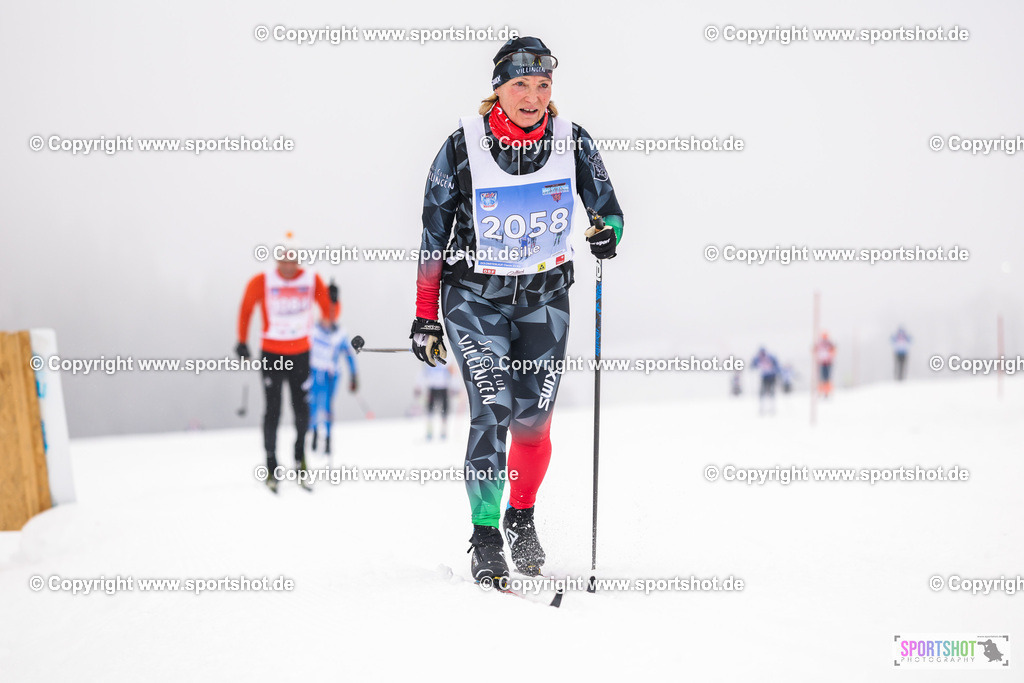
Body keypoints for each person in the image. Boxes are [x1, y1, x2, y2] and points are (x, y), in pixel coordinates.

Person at [409, 37, 624, 583]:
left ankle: (520, 518)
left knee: (534, 423)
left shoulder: (572, 142)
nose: (532, 97)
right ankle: (484, 536)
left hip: (545, 300)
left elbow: (609, 211)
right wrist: (425, 316)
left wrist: (606, 234)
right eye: (520, 84)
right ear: (498, 89)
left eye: (543, 85)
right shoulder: (461, 147)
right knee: (492, 410)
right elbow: (433, 236)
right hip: (474, 299)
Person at [237, 234, 335, 493]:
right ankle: (271, 464)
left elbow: (329, 316)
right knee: (273, 409)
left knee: (301, 408)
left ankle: (299, 458)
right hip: (272, 353)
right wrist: (241, 340)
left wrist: (333, 302)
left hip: (301, 353)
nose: (289, 265)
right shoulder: (263, 281)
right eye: (284, 259)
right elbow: (246, 309)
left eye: (293, 259)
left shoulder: (311, 280)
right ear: (277, 259)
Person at [308, 302, 358, 457]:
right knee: (314, 405)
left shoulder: (340, 334)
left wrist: (353, 375)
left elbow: (349, 355)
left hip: (332, 374)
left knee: (328, 406)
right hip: (315, 373)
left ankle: (328, 439)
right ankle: (315, 432)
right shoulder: (313, 331)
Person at [417, 362, 456, 441]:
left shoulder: (446, 361)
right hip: (432, 389)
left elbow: (453, 374)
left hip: (443, 388)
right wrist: (418, 386)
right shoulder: (428, 361)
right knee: (430, 410)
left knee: (444, 411)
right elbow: (422, 374)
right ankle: (429, 431)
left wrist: (455, 387)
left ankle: (443, 431)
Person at [750, 347, 780, 415]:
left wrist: (776, 370)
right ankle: (762, 407)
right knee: (762, 392)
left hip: (772, 377)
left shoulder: (771, 357)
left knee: (771, 391)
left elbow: (777, 365)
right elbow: (753, 364)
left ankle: (772, 407)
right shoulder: (758, 358)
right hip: (764, 377)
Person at [815, 332, 837, 398]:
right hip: (822, 363)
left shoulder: (829, 344)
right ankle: (821, 392)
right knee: (822, 378)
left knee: (826, 378)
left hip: (828, 363)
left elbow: (833, 351)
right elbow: (815, 350)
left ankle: (826, 392)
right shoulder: (820, 343)